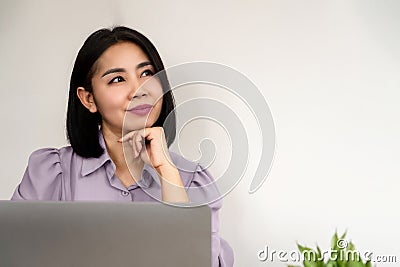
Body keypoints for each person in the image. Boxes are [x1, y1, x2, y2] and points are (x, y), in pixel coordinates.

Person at [11, 26, 234, 266]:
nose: (138, 90)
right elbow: (15, 253)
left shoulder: (192, 180)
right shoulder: (53, 172)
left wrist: (168, 173)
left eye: (147, 73)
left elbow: (196, 261)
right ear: (88, 99)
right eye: (117, 79)